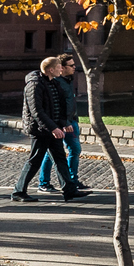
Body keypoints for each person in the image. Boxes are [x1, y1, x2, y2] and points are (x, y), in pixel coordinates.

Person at [13, 55, 84, 202]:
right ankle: (19, 192)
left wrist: (64, 123)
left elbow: (59, 106)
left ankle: (70, 190)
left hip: (53, 128)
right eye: (59, 67)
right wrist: (53, 128)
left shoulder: (54, 83)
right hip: (40, 130)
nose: (61, 69)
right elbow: (37, 111)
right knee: (35, 160)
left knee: (60, 159)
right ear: (51, 70)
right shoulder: (35, 85)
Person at [38, 56, 84, 193]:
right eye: (71, 65)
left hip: (71, 121)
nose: (74, 67)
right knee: (53, 153)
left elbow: (70, 103)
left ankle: (71, 180)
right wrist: (65, 123)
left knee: (73, 150)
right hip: (63, 123)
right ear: (62, 68)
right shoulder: (56, 83)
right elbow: (57, 106)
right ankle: (45, 182)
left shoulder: (68, 81)